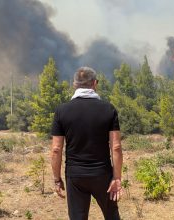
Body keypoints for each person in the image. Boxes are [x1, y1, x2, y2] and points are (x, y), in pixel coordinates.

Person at [50, 67, 123, 220]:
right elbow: (116, 147)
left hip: (75, 176)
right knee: (112, 216)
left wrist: (57, 179)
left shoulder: (62, 111)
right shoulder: (108, 110)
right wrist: (116, 179)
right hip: (102, 174)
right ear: (95, 83)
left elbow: (56, 149)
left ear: (74, 84)